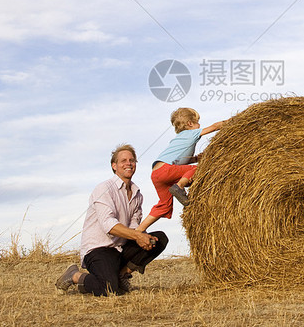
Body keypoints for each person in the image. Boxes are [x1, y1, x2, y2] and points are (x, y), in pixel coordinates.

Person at [55, 144, 168, 296]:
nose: (128, 163)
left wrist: (143, 236)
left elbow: (135, 226)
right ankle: (74, 276)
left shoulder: (137, 194)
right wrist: (137, 236)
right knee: (109, 289)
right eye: (123, 161)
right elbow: (108, 225)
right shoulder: (104, 189)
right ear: (114, 166)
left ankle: (122, 274)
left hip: (120, 248)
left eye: (132, 160)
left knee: (159, 239)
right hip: (98, 249)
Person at [136, 108, 226, 232]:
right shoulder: (191, 133)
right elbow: (216, 126)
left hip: (157, 172)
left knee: (164, 206)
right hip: (166, 170)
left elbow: (179, 161)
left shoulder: (179, 139)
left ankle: (139, 230)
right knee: (199, 169)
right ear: (190, 123)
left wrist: (195, 158)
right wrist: (236, 121)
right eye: (197, 122)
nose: (199, 125)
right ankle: (180, 186)